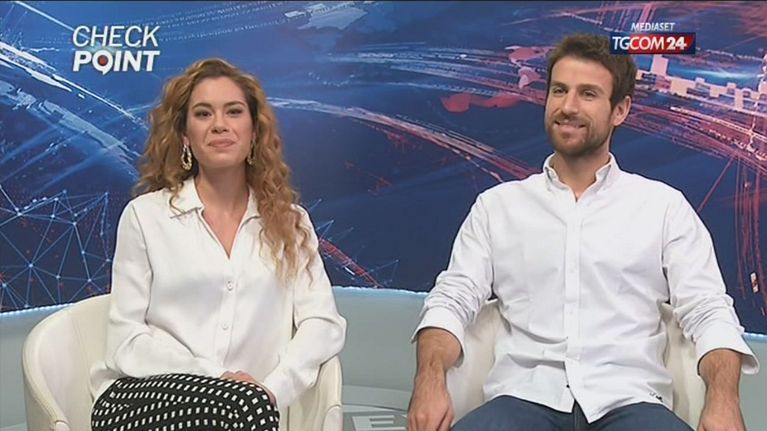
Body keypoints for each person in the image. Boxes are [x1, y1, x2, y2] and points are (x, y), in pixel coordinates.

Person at [407, 33, 759, 431]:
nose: (568, 107)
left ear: (620, 110)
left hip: (631, 402)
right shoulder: (497, 207)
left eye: (588, 94)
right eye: (559, 90)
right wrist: (428, 382)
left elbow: (708, 310)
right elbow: (453, 298)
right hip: (523, 398)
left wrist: (724, 400)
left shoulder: (663, 208)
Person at [89, 58, 347, 431]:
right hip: (145, 399)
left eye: (234, 111)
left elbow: (322, 323)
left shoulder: (291, 223)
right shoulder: (145, 217)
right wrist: (217, 380)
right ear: (185, 135)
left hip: (252, 409)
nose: (219, 125)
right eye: (203, 114)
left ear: (254, 131)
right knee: (241, 410)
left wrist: (272, 390)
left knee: (243, 411)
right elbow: (126, 340)